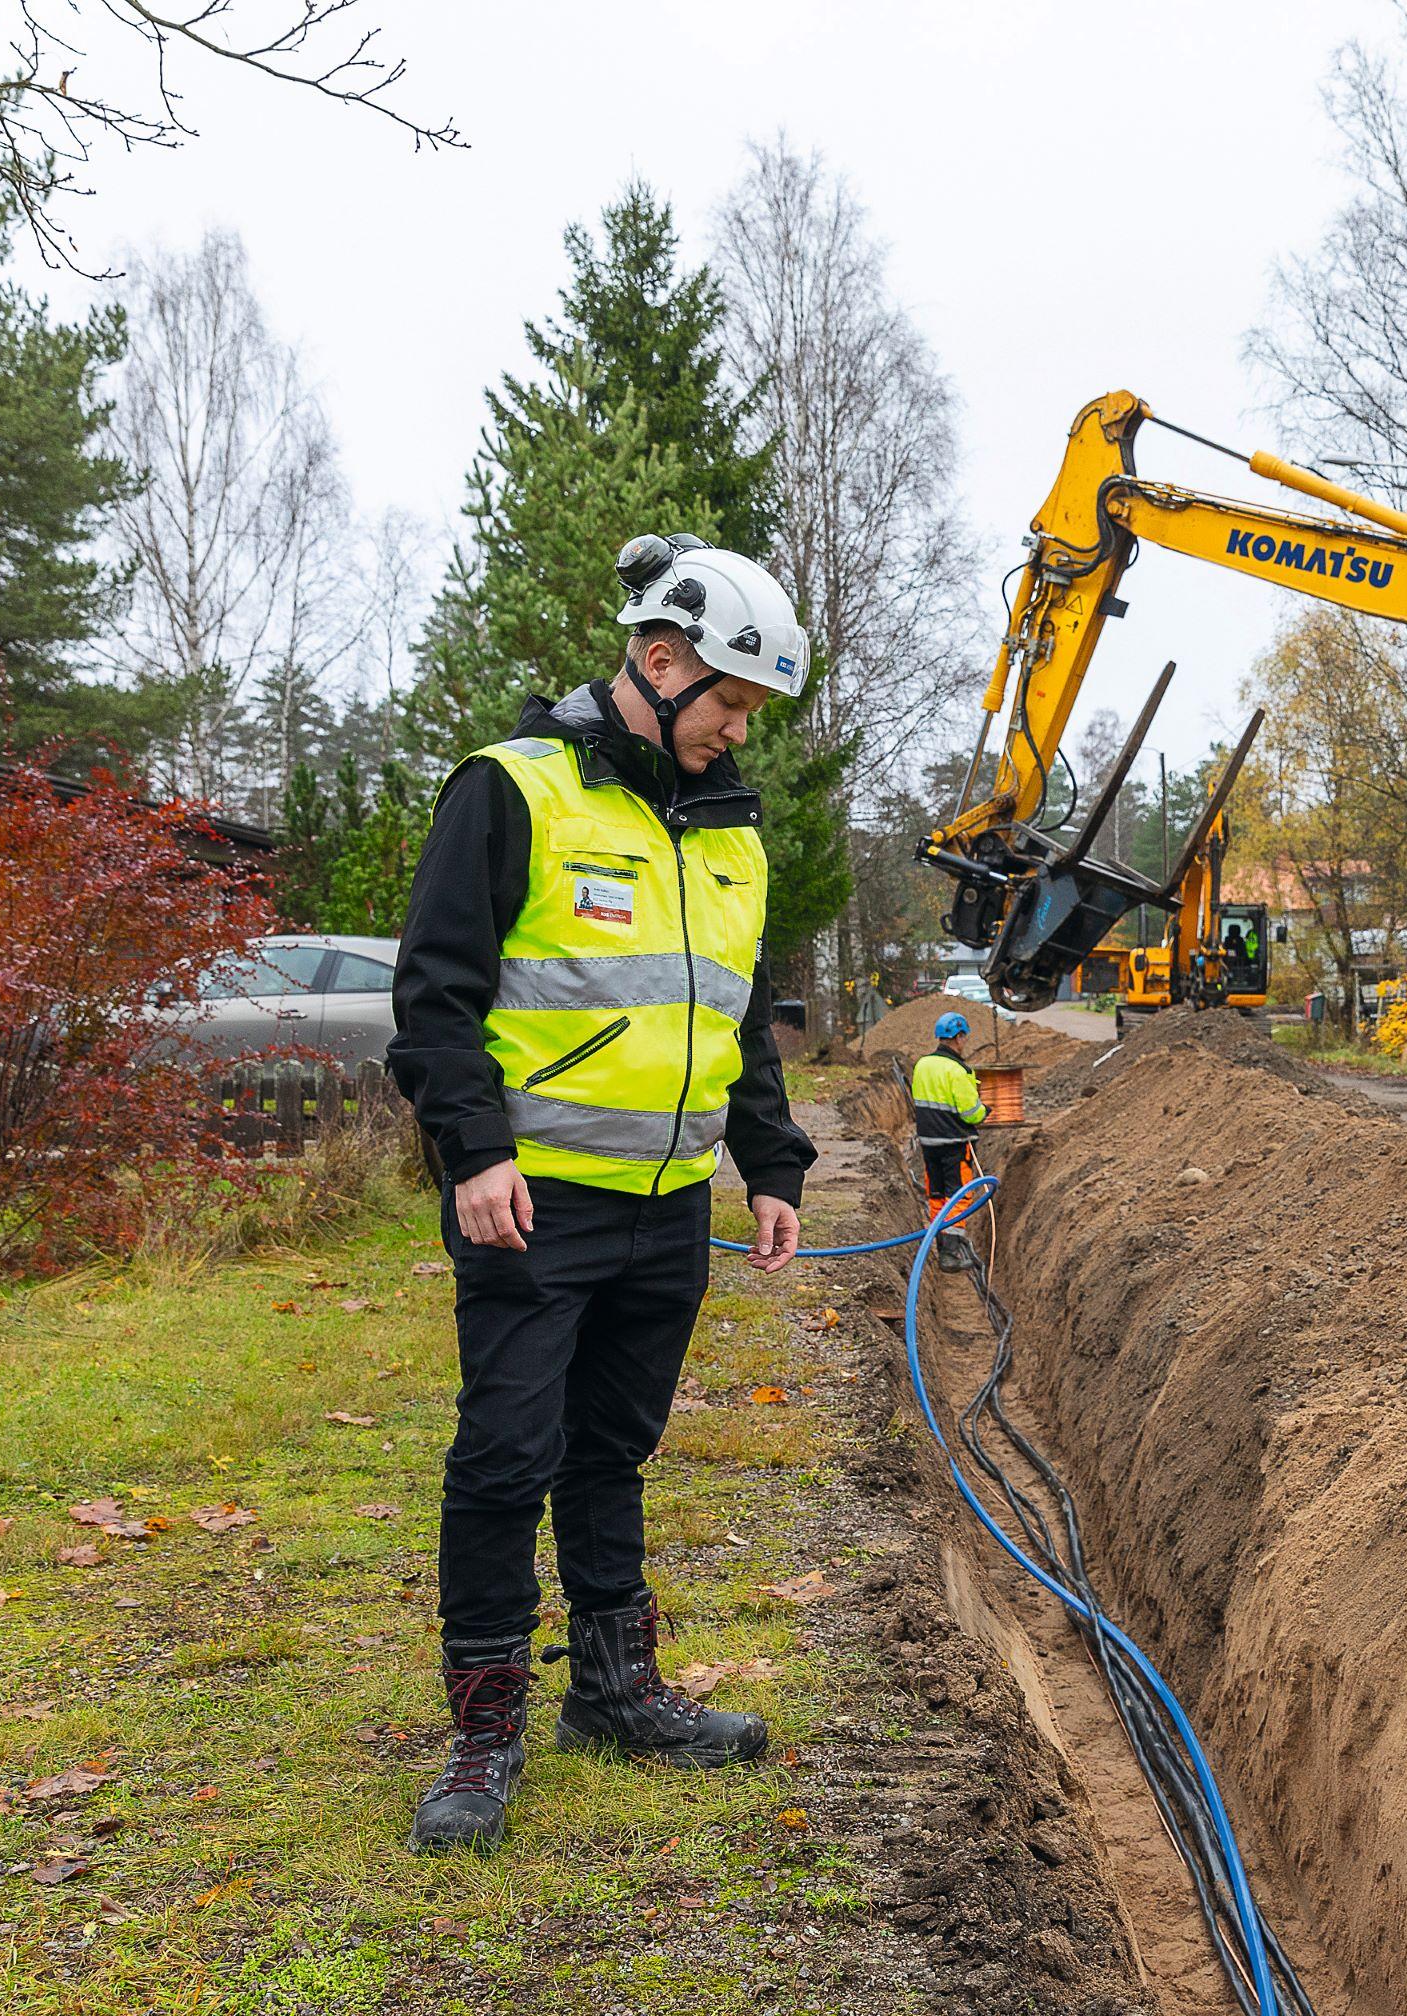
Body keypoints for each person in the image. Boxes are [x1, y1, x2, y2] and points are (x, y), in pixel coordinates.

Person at [386, 532, 818, 1855]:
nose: (737, 733)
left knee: (610, 1454)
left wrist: (773, 1168)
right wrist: (475, 1154)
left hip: (667, 1205)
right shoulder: (511, 793)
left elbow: (732, 1019)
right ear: (660, 658)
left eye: (751, 712)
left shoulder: (731, 833)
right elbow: (435, 997)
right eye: (729, 703)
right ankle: (484, 1729)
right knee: (506, 1457)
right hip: (534, 1202)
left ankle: (615, 1694)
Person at [910, 1011, 988, 1218]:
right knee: (958, 1196)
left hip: (928, 1142)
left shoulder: (922, 1065)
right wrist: (985, 1111)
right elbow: (971, 1114)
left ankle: (941, 1240)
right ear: (959, 1037)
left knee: (936, 1194)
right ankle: (952, 1247)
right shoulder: (958, 1070)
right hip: (954, 1143)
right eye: (964, 1037)